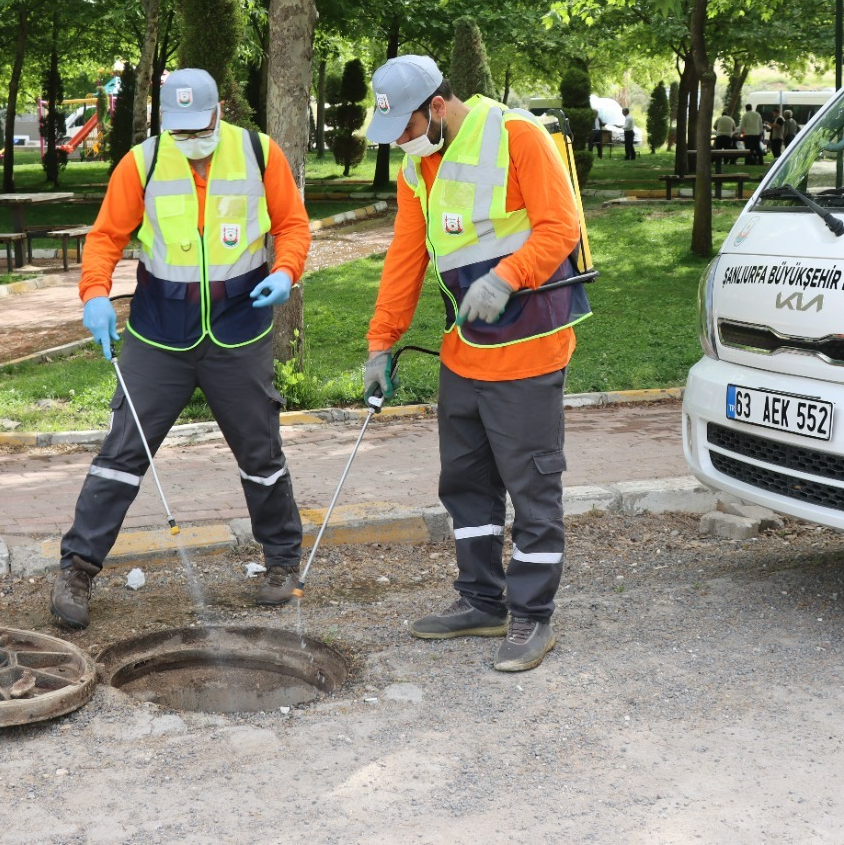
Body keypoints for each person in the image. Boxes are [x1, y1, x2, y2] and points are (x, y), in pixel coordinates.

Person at [51, 69, 312, 629]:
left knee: (260, 453)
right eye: (180, 129)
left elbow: (292, 225)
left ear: (221, 111)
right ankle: (76, 569)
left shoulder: (260, 154)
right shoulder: (141, 162)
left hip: (239, 329)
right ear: (164, 121)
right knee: (122, 451)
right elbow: (104, 237)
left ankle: (283, 561)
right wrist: (95, 294)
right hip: (157, 335)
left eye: (201, 126)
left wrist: (288, 270)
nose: (192, 138)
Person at [362, 55, 591, 673]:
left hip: (529, 346)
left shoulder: (519, 136)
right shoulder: (420, 168)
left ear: (436, 107)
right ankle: (482, 601)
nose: (402, 144)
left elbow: (559, 227)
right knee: (466, 485)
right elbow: (405, 258)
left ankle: (533, 617)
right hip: (465, 352)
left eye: (406, 130)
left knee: (532, 485)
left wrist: (506, 276)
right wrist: (380, 342)